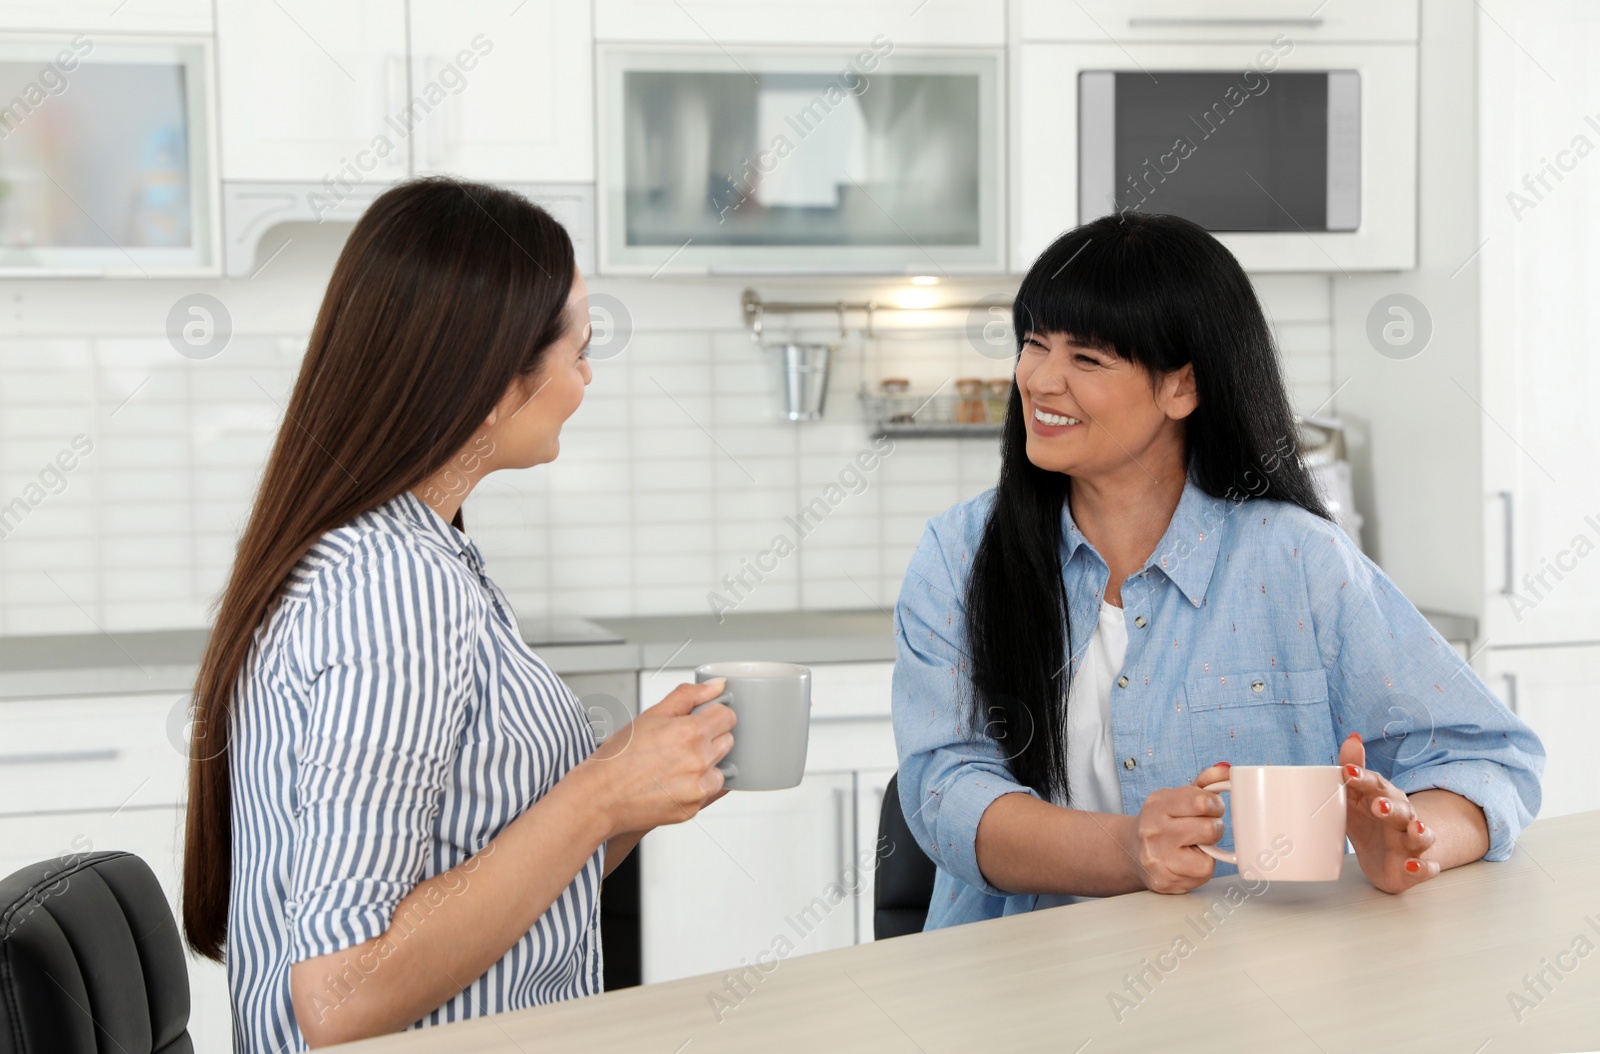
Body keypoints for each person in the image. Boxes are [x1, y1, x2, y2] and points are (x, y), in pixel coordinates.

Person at [180, 177, 737, 1050]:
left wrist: (628, 791)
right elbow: (340, 994)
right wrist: (595, 798)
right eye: (579, 351)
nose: (587, 379)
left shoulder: (417, 551)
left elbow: (479, 867)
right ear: (488, 377)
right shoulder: (392, 589)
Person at [892, 212, 1545, 929]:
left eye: (1087, 359)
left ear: (1183, 388)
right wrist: (1129, 850)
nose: (1040, 380)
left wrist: (1414, 844)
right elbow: (943, 794)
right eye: (1033, 344)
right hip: (1012, 981)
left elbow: (1488, 760)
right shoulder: (959, 556)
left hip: (1250, 987)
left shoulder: (1295, 561)